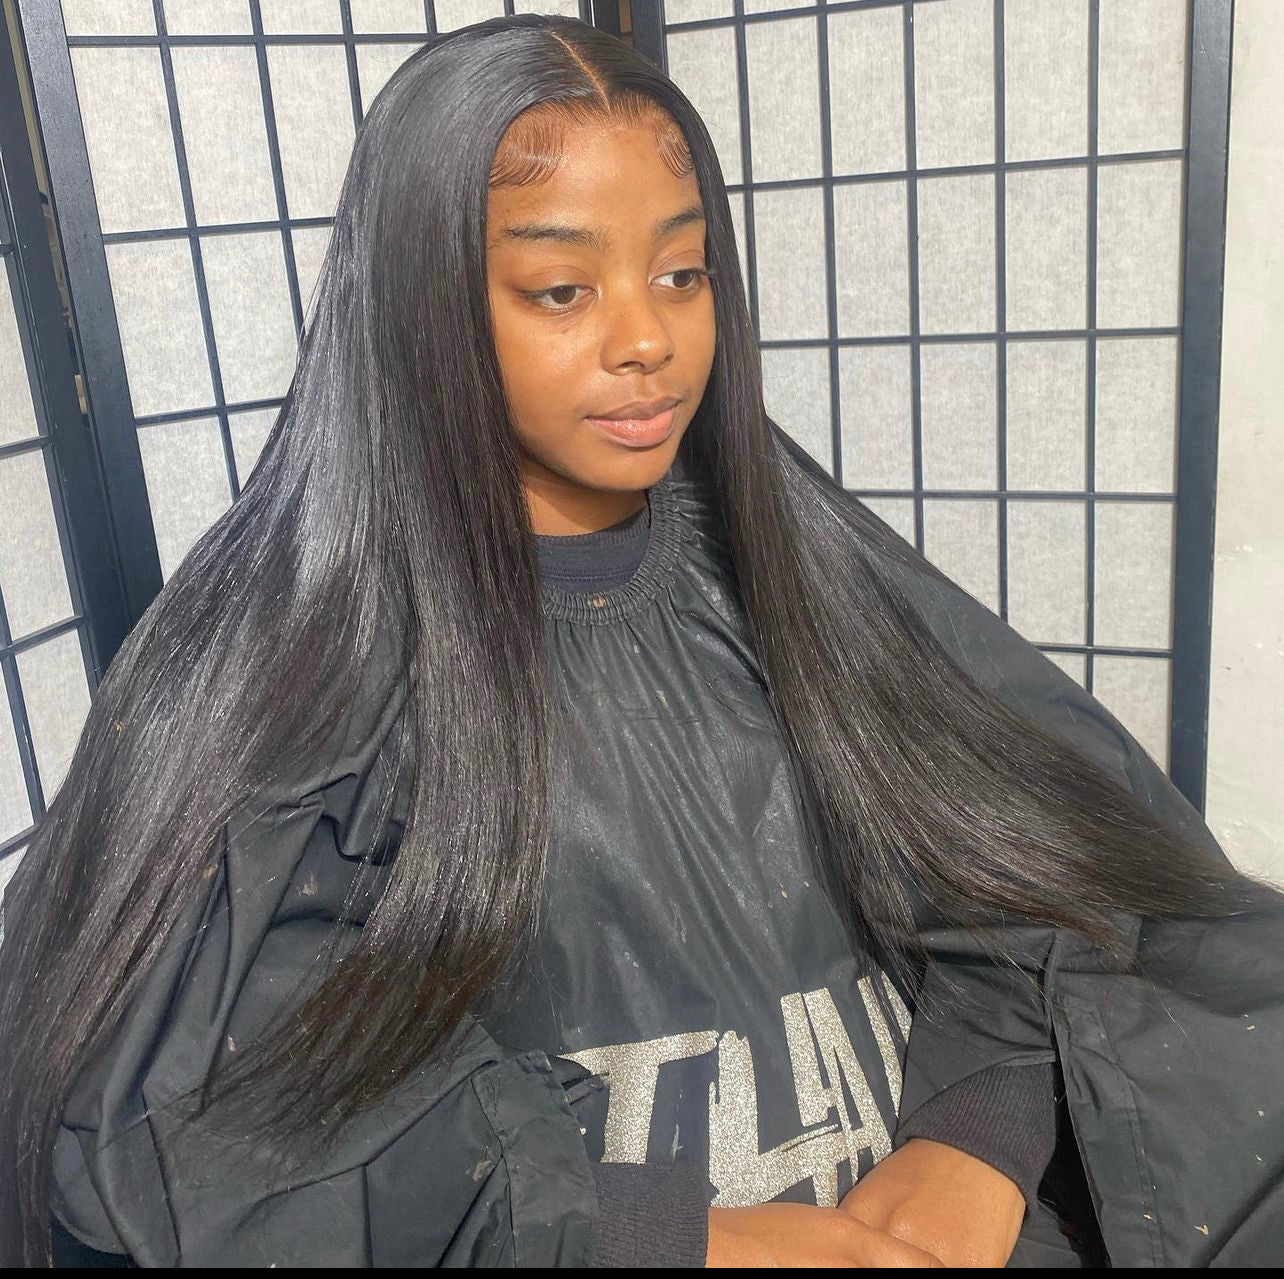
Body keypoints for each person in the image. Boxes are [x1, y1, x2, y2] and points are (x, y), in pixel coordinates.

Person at [1, 13, 1280, 1268]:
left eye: (681, 272)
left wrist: (977, 1133)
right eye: (562, 289)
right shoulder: (297, 658)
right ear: (422, 304)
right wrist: (653, 1238)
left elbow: (1052, 859)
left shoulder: (802, 566)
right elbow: (211, 1114)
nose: (647, 339)